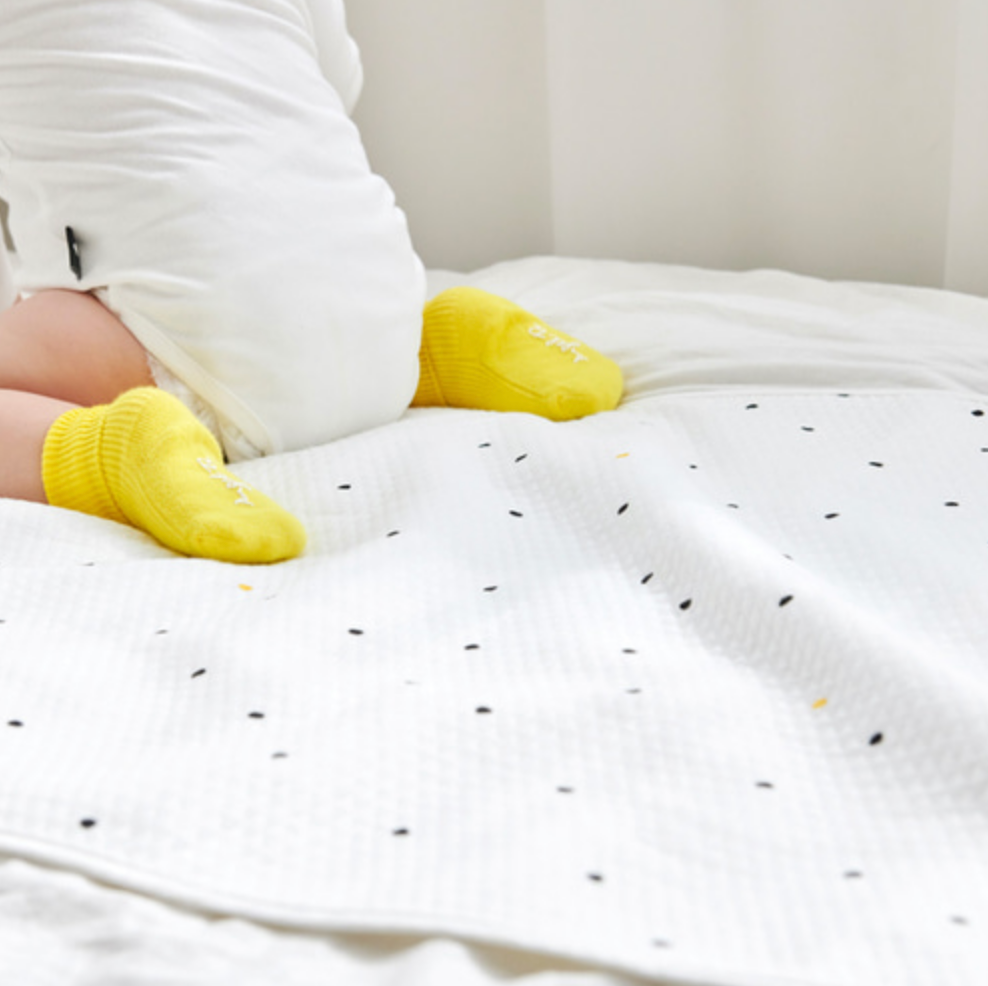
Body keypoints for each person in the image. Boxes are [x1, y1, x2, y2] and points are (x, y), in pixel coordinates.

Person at [0, 0, 622, 564]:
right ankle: (445, 344)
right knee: (296, 271)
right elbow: (339, 83)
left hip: (185, 353)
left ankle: (113, 454)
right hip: (380, 313)